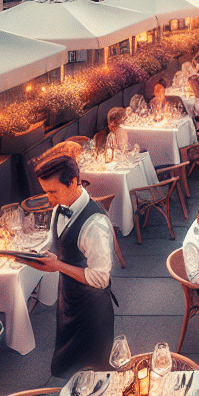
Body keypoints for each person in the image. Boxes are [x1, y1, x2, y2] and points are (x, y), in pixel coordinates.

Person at [23, 151, 116, 378]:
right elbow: (61, 244)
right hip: (68, 301)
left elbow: (101, 279)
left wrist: (58, 266)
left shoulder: (95, 224)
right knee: (71, 370)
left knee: (94, 373)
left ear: (73, 182)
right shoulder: (59, 207)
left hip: (92, 309)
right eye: (45, 191)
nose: (49, 199)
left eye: (53, 192)